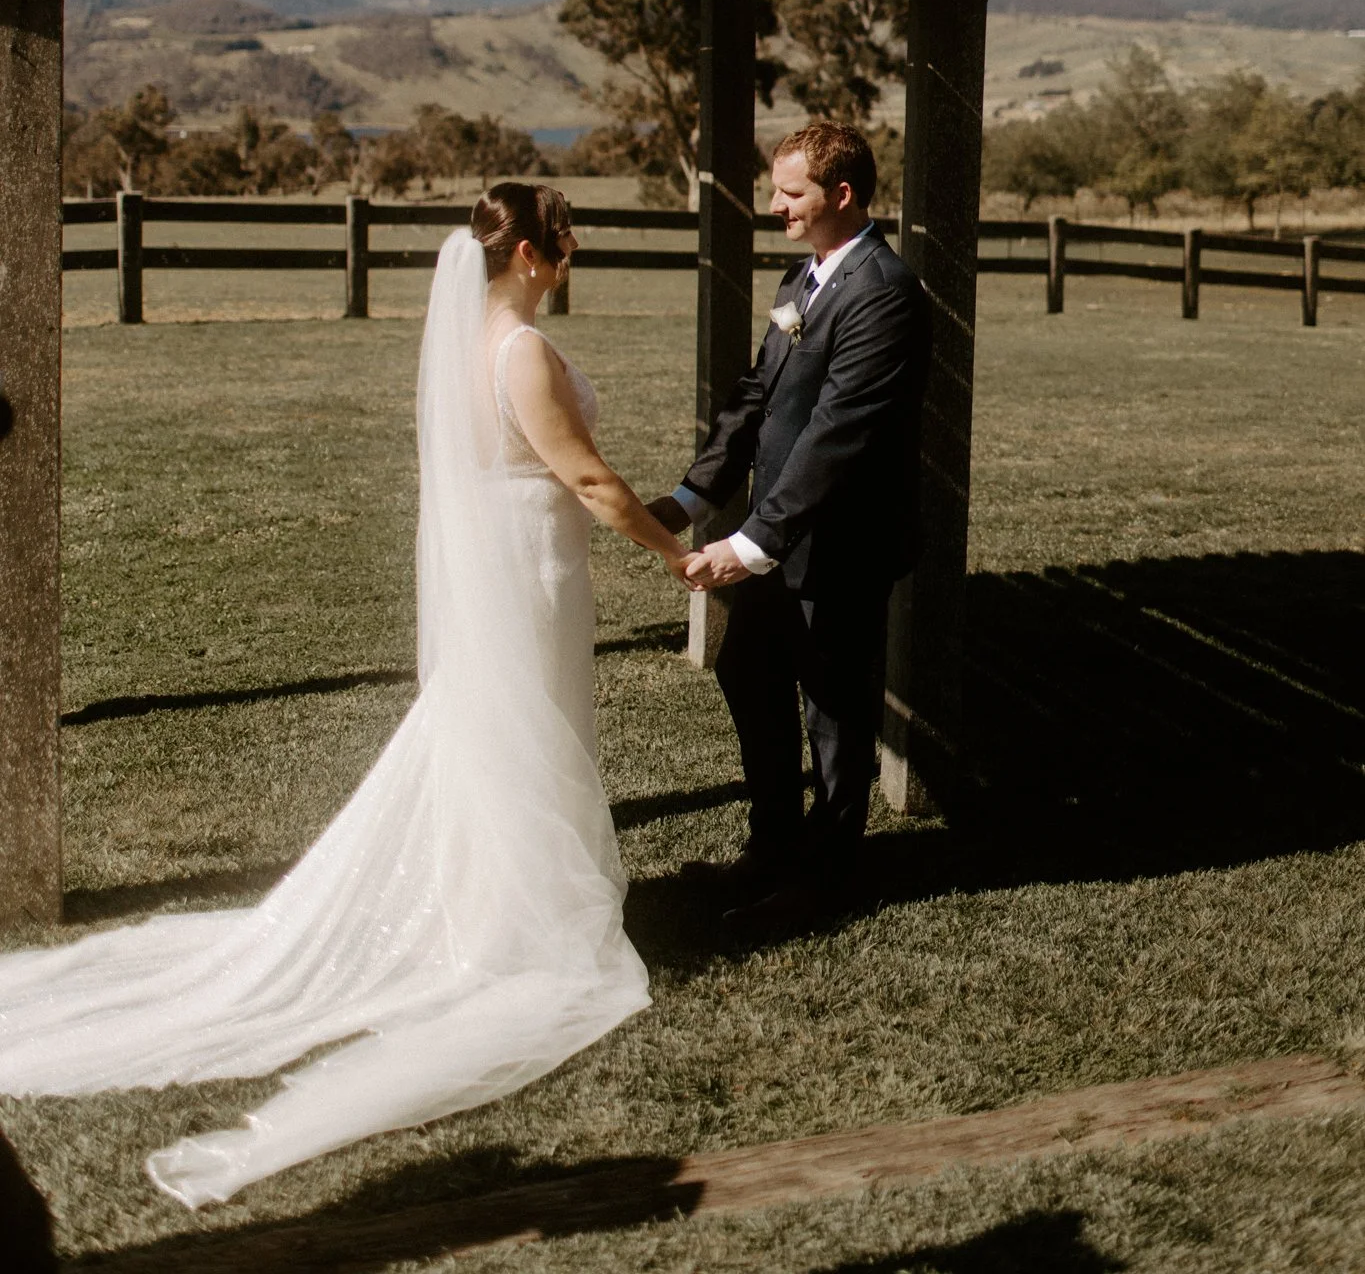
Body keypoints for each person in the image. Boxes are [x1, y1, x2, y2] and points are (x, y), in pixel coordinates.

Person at [0, 184, 690, 1207]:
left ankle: (490, 897)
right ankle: (519, 917)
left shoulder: (467, 343)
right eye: (568, 240)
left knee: (498, 727)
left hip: (500, 556)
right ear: (538, 254)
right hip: (528, 564)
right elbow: (587, 480)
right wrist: (677, 552)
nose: (575, 253)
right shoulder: (522, 352)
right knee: (524, 726)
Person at [649, 122, 931, 933]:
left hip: (839, 543)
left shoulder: (881, 291)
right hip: (780, 536)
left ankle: (830, 874)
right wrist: (691, 496)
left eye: (791, 193)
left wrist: (746, 546)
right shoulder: (803, 278)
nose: (775, 207)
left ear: (841, 194)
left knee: (835, 711)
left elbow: (838, 435)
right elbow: (754, 397)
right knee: (748, 675)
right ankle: (774, 841)